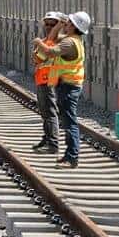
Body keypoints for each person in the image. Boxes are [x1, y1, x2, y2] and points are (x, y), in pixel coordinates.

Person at [32, 11, 91, 169]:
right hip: (68, 85)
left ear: (74, 26)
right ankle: (69, 155)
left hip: (68, 87)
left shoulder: (70, 43)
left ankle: (72, 157)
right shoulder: (72, 40)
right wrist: (58, 25)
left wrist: (38, 42)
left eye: (69, 23)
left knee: (70, 123)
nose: (67, 25)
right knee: (67, 121)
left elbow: (49, 50)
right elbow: (51, 39)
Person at [31, 11, 65, 154]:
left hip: (51, 81)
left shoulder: (61, 41)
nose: (49, 27)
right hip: (42, 80)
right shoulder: (45, 41)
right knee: (45, 112)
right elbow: (36, 59)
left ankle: (53, 144)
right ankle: (47, 138)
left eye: (53, 24)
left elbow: (43, 55)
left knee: (50, 112)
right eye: (47, 24)